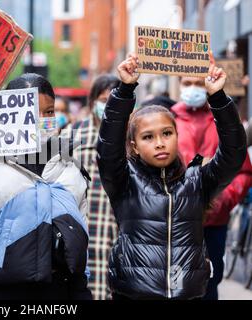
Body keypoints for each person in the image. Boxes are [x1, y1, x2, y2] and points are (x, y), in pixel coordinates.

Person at [97, 53, 246, 300]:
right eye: (148, 137)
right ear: (133, 146)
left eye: (167, 133)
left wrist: (218, 98)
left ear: (177, 135)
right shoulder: (124, 181)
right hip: (134, 295)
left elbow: (233, 154)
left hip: (188, 294)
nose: (159, 143)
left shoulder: (196, 182)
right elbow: (108, 147)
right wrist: (124, 91)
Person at [0, 73, 92, 300]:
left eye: (49, 112)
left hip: (62, 292)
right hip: (0, 293)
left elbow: (80, 238)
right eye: (32, 113)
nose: (43, 119)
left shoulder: (72, 169)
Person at [171, 72, 252, 300]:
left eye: (199, 83)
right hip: (177, 220)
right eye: (188, 83)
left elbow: (243, 171)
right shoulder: (168, 119)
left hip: (214, 222)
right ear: (179, 85)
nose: (193, 88)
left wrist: (224, 200)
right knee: (176, 283)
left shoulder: (222, 119)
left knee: (210, 281)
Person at [60, 74, 120, 300]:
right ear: (93, 101)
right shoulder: (72, 136)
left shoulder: (133, 137)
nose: (108, 105)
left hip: (117, 234)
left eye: (115, 99)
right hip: (83, 232)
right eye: (104, 100)